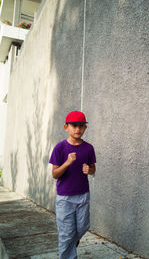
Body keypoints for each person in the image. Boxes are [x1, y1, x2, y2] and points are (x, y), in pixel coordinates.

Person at [49, 110, 96, 259]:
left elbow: (93, 167)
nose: (78, 129)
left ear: (85, 128)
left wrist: (90, 170)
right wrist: (67, 163)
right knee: (66, 233)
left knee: (82, 227)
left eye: (81, 126)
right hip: (65, 198)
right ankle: (68, 253)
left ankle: (70, 243)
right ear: (66, 127)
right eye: (74, 126)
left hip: (83, 195)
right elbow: (55, 174)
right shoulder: (60, 148)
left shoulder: (88, 148)